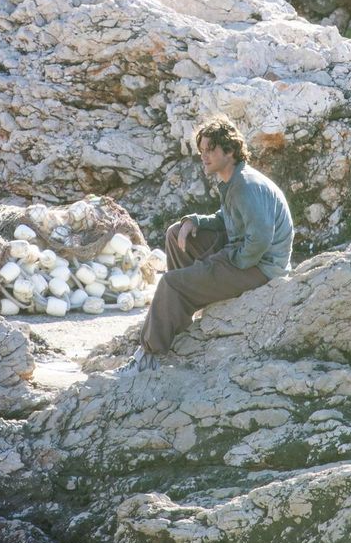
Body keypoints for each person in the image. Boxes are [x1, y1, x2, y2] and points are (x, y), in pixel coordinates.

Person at [120, 115, 294, 373]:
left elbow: (259, 240)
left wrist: (225, 262)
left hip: (261, 267)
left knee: (170, 282)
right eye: (201, 150)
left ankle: (149, 355)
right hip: (245, 255)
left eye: (210, 150)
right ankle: (188, 302)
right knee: (176, 233)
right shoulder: (234, 180)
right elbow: (228, 218)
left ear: (230, 150)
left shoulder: (246, 186)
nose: (204, 156)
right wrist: (195, 222)